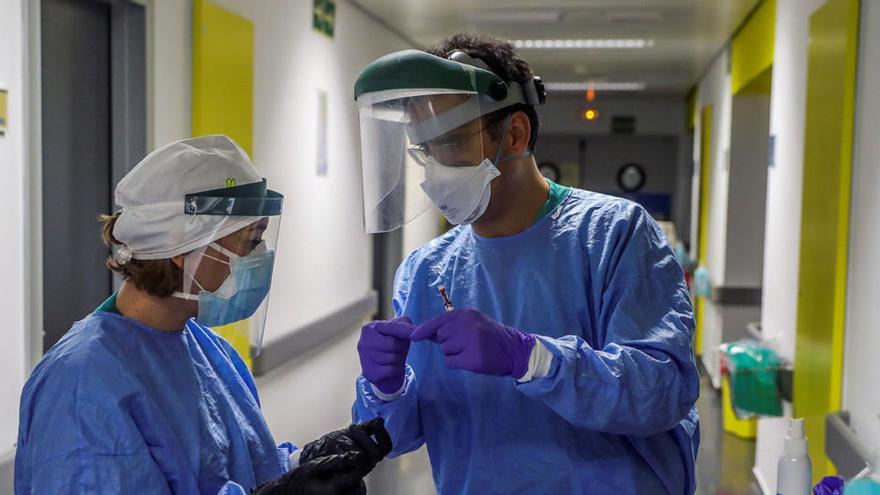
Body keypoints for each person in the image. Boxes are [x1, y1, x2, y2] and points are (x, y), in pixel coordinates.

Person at [350, 35, 700, 494]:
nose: (436, 166)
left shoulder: (615, 234)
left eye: (451, 141)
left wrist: (531, 357)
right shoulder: (425, 269)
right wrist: (387, 389)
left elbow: (662, 390)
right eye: (424, 149)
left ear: (514, 134)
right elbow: (400, 436)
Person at [15, 135, 392, 494]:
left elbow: (241, 467)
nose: (259, 259)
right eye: (250, 243)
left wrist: (301, 464)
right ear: (183, 247)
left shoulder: (205, 347)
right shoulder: (84, 386)